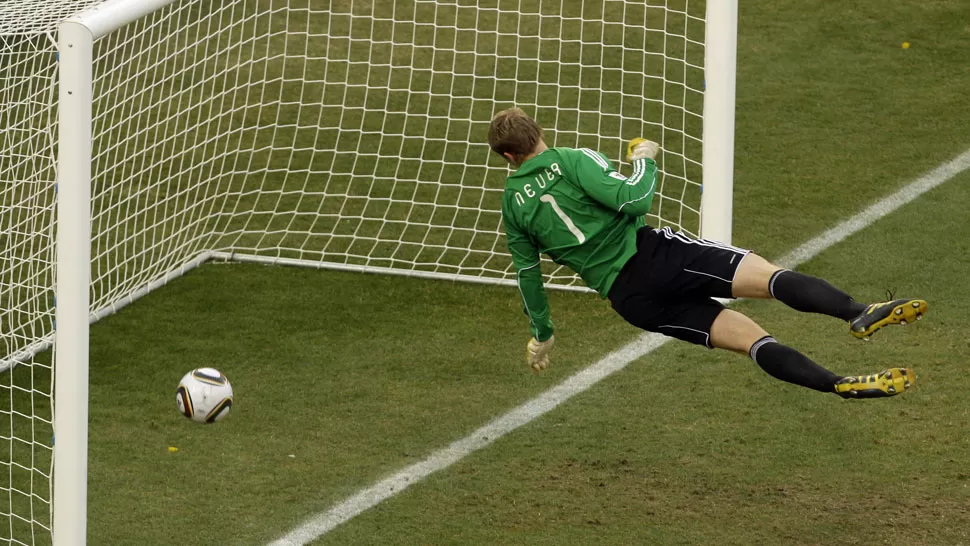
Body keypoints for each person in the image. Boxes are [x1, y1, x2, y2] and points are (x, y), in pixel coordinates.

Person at [488, 107, 927, 398]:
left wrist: (543, 336)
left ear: (508, 156)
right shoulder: (572, 159)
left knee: (753, 341)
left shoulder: (512, 205)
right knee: (770, 279)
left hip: (629, 299)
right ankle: (856, 311)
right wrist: (646, 158)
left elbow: (528, 277)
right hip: (654, 255)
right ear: (538, 133)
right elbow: (635, 200)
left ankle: (838, 384)